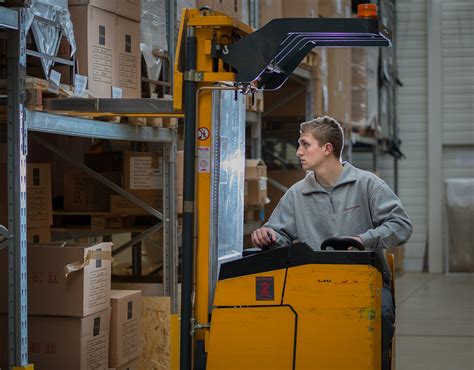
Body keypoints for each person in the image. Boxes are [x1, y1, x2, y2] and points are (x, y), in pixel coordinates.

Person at [251, 116, 413, 370]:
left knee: (380, 316)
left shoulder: (367, 184)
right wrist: (268, 235)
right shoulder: (297, 193)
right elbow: (279, 233)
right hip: (312, 284)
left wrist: (362, 239)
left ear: (327, 149)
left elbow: (402, 226)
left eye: (305, 144)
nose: (298, 152)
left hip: (363, 281)